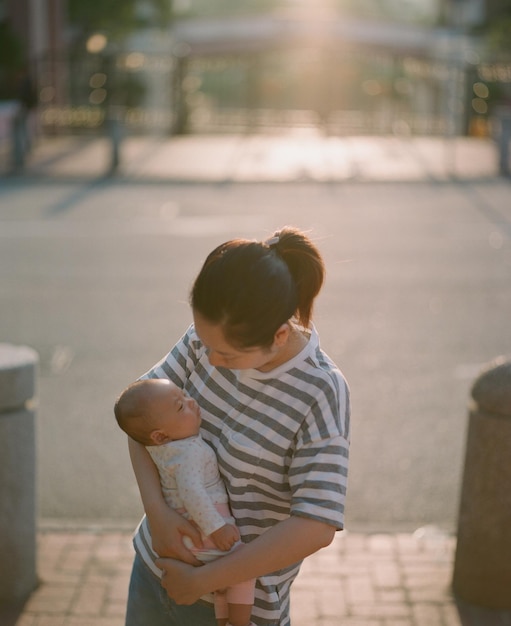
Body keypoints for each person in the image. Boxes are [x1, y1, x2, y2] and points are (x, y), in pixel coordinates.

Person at [124, 225, 351, 626]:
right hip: (153, 569)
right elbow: (138, 418)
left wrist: (201, 580)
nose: (209, 359)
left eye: (226, 354)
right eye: (205, 343)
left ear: (279, 336)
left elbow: (315, 525)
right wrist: (156, 516)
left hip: (238, 610)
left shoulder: (320, 391)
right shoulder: (206, 338)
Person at [114, 378, 255, 626]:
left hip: (188, 536)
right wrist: (217, 528)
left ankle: (223, 620)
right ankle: (239, 622)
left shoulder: (165, 450)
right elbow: (191, 492)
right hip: (204, 533)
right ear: (160, 435)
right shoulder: (188, 451)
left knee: (221, 589)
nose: (192, 402)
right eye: (181, 407)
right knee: (243, 572)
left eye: (185, 396)